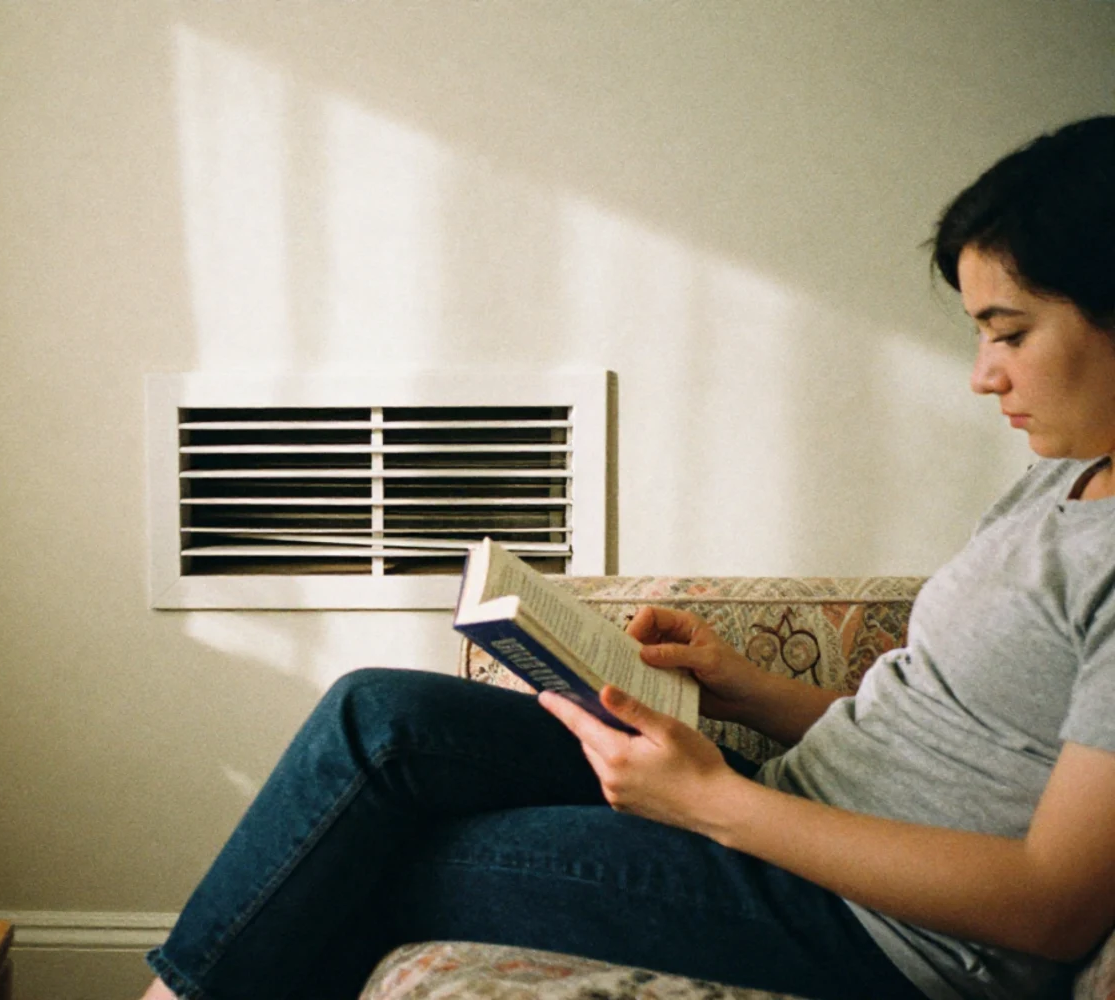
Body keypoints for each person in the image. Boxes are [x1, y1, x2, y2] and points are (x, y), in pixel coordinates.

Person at [138, 115, 1115, 1000]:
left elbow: (1049, 903)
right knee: (377, 715)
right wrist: (744, 689)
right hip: (796, 813)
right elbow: (959, 730)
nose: (985, 376)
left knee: (369, 859)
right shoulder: (1061, 477)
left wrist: (714, 805)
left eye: (1010, 333)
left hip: (879, 933)